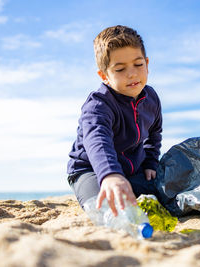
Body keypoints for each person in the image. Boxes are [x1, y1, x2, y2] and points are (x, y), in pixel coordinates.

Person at [67, 25, 162, 216]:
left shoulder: (151, 98)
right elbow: (97, 141)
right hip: (91, 170)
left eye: (138, 64)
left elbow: (154, 133)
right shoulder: (98, 105)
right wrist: (110, 174)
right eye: (120, 69)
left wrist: (151, 162)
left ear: (147, 64)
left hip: (130, 170)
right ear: (104, 76)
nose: (132, 73)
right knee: (106, 210)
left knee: (163, 194)